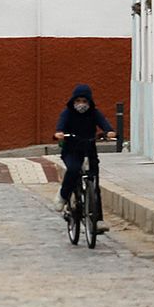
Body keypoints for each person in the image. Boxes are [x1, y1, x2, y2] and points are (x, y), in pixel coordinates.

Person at [54, 83, 113, 213]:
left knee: (94, 182)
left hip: (89, 150)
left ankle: (98, 219)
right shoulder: (68, 113)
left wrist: (109, 131)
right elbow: (61, 125)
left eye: (85, 101)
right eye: (78, 101)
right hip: (71, 150)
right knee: (73, 169)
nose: (81, 104)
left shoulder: (94, 113)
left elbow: (103, 123)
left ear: (89, 102)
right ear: (73, 101)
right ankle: (63, 195)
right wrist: (59, 133)